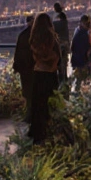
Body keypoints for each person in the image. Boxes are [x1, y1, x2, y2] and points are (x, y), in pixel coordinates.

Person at [28, 12, 62, 143]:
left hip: (38, 73)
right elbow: (58, 57)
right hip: (50, 74)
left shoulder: (34, 39)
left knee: (38, 104)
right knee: (51, 104)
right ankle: (50, 132)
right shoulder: (52, 39)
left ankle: (36, 132)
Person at [12, 14, 35, 114]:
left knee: (26, 89)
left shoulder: (22, 35)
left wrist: (16, 66)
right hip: (35, 67)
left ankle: (28, 111)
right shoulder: (37, 35)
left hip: (24, 68)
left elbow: (18, 52)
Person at [71, 14, 91, 85]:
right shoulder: (86, 33)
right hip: (84, 61)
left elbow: (72, 47)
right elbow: (89, 48)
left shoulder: (77, 31)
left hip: (76, 60)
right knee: (86, 81)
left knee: (78, 82)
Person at [53, 3, 70, 84]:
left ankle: (61, 81)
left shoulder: (55, 22)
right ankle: (64, 80)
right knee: (64, 64)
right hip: (65, 45)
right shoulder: (65, 22)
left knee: (59, 65)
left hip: (59, 45)